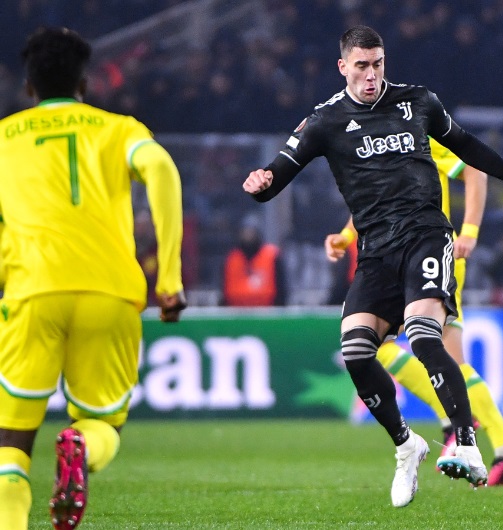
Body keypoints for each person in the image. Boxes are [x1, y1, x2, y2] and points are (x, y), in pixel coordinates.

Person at [243, 25, 503, 507]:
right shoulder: (324, 121)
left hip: (427, 237)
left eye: (378, 64)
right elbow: (280, 172)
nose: (371, 75)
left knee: (424, 335)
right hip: (376, 253)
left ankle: (467, 443)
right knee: (357, 350)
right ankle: (407, 446)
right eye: (361, 66)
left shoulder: (418, 102)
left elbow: (466, 147)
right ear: (343, 67)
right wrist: (262, 182)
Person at [0, 27, 186, 530]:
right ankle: (81, 446)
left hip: (33, 290)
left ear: (28, 87)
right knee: (102, 424)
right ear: (84, 82)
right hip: (111, 291)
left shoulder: (4, 138)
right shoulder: (119, 129)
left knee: (10, 445)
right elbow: (161, 169)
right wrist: (169, 278)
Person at [324, 138, 503, 486]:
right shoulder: (382, 139)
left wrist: (469, 232)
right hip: (401, 259)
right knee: (382, 348)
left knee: (428, 353)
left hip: (431, 258)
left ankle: (469, 431)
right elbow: (378, 198)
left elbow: (475, 172)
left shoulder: (421, 135)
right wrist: (347, 235)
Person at [223, 212, 287, 306]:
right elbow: (224, 289)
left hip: (267, 309)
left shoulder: (272, 256)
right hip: (236, 310)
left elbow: (282, 289)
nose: (248, 236)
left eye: (251, 232)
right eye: (245, 232)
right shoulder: (232, 258)